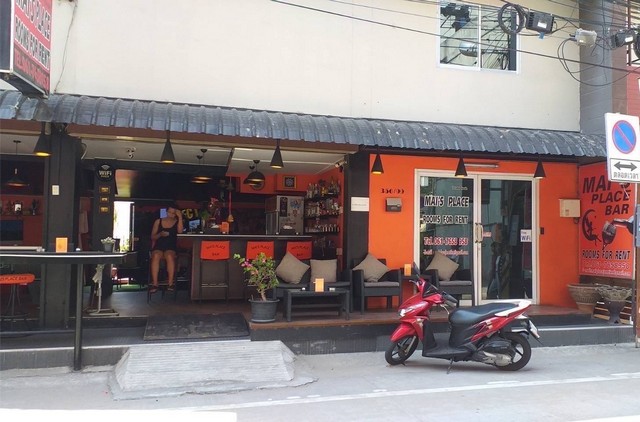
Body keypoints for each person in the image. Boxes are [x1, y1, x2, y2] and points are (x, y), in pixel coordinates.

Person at [149, 204, 183, 293]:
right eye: (169, 212)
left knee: (169, 256)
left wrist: (180, 217)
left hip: (171, 245)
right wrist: (160, 234)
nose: (170, 215)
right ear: (166, 212)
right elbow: (152, 237)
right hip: (159, 245)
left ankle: (170, 283)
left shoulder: (177, 222)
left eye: (173, 213)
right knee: (156, 256)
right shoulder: (158, 221)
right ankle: (155, 283)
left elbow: (180, 231)